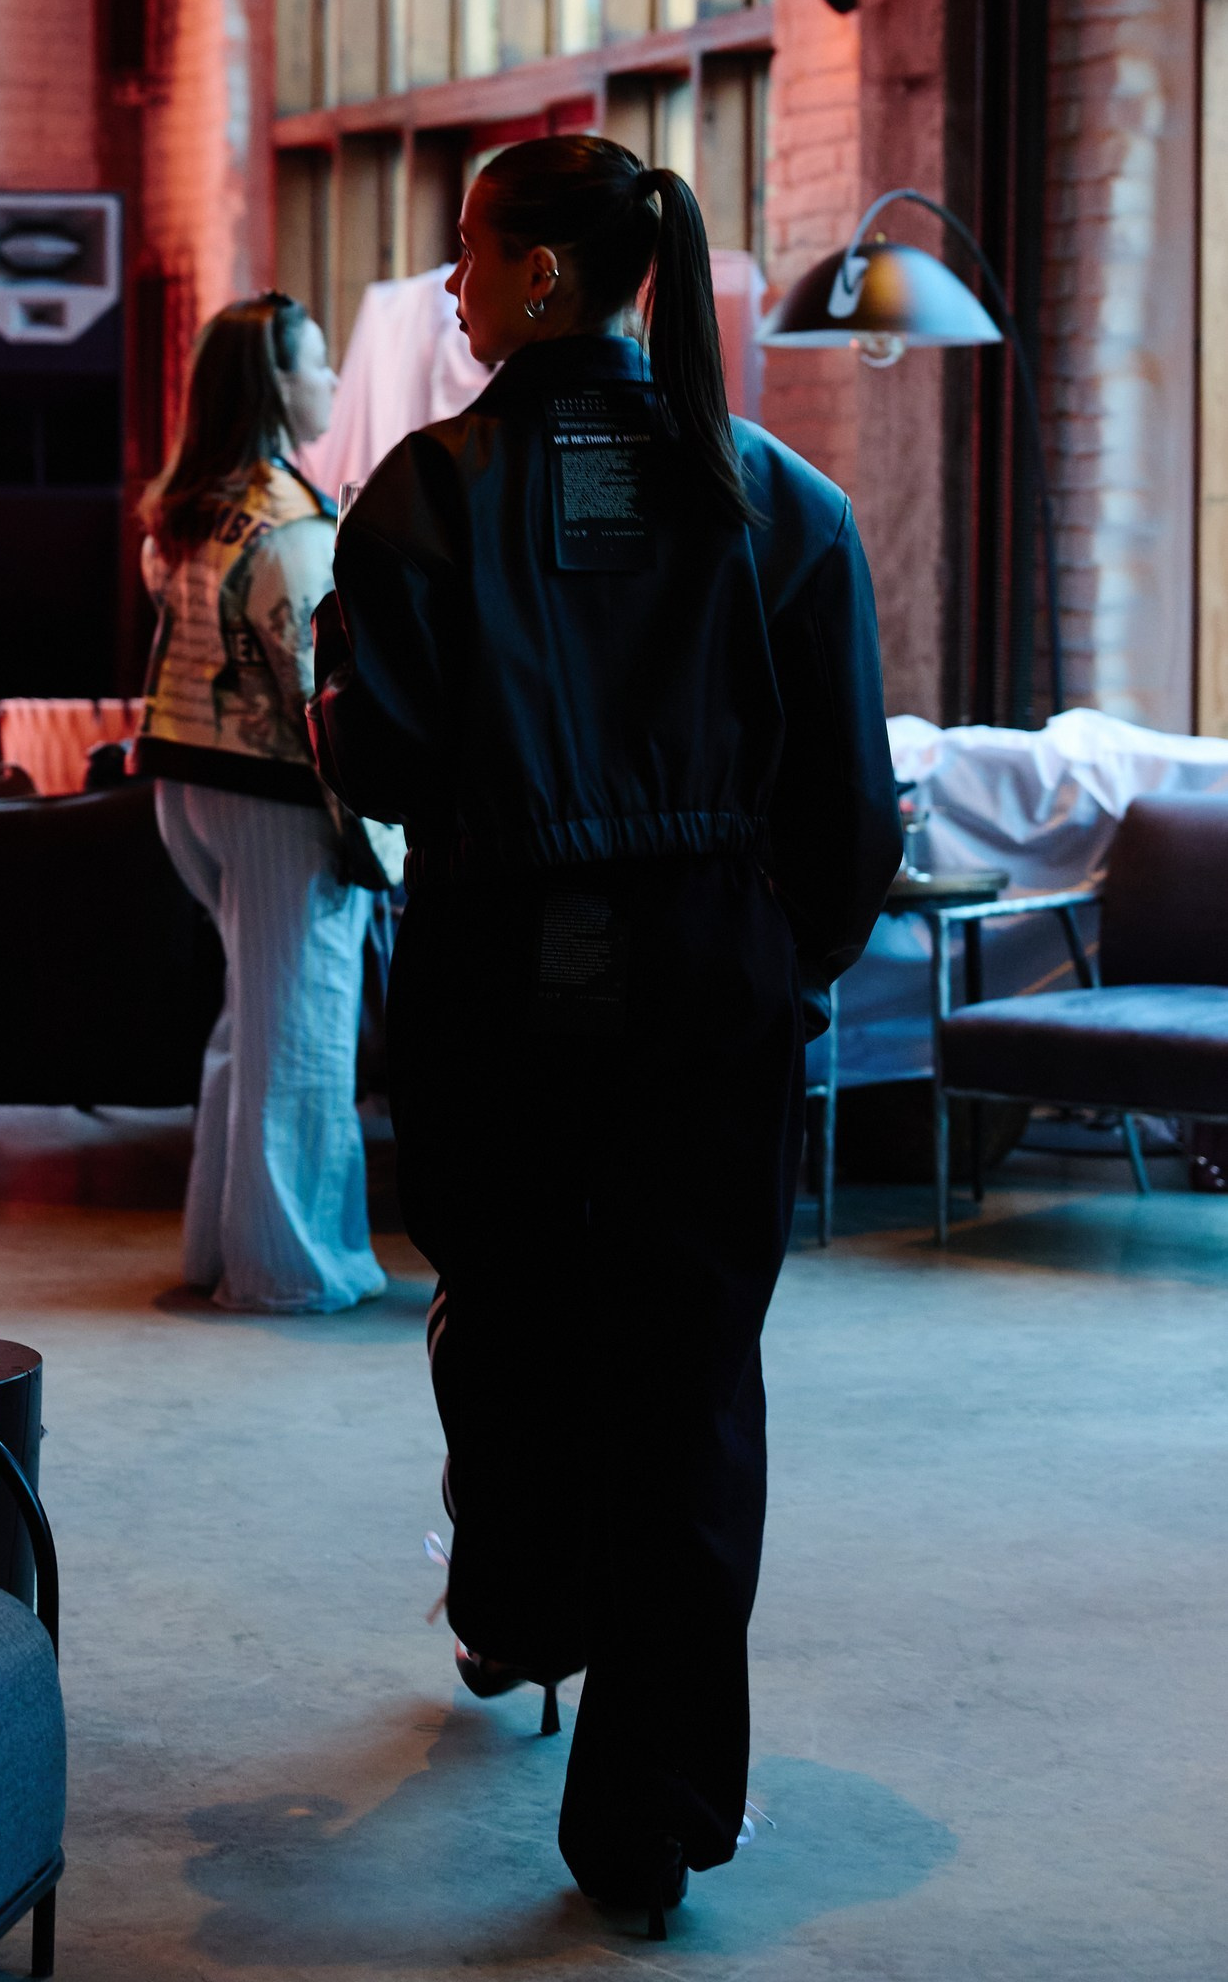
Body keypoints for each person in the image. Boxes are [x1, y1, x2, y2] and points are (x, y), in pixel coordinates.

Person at [308, 139, 900, 1924]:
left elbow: (380, 761)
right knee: (690, 1384)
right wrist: (778, 969)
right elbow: (848, 812)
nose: (452, 286)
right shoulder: (782, 502)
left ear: (545, 276)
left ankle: (519, 1603)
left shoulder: (421, 495)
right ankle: (647, 1817)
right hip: (710, 990)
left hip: (495, 974)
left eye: (468, 253)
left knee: (505, 1316)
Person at [134, 293, 386, 1316]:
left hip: (186, 781)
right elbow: (319, 690)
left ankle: (218, 1248)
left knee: (251, 1021)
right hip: (277, 799)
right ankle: (288, 1270)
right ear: (277, 386)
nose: (331, 380)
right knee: (303, 1028)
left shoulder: (187, 511)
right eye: (317, 363)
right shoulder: (292, 524)